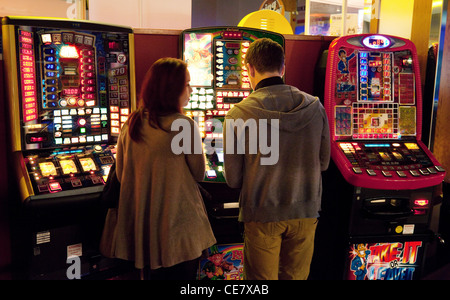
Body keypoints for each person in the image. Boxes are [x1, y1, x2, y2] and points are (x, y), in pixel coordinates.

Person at [223, 38, 330, 280]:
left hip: (262, 212)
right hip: (306, 208)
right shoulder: (315, 107)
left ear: (249, 69)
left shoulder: (238, 113)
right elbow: (323, 163)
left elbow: (233, 179)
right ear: (283, 67)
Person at [100, 57, 216, 280]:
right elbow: (199, 174)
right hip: (179, 225)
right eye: (187, 84)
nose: (191, 89)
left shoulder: (132, 122)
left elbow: (123, 176)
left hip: (143, 224)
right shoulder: (184, 125)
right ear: (172, 89)